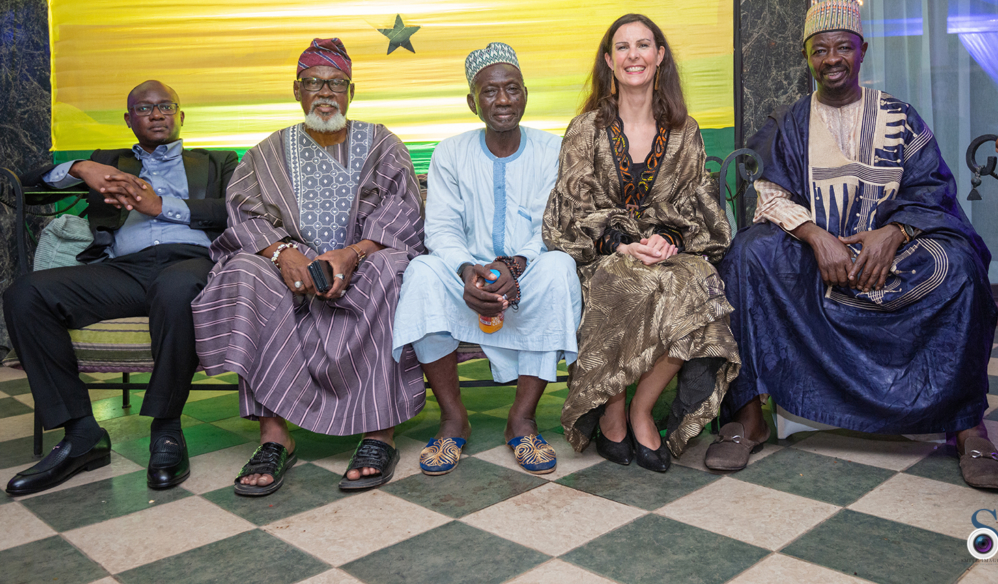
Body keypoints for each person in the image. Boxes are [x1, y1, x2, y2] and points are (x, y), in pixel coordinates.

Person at [707, 0, 998, 491]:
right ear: (807, 56)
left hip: (893, 259)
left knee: (961, 266)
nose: (832, 59)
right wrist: (817, 237)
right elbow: (769, 194)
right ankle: (747, 417)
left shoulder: (901, 116)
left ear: (862, 50)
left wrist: (893, 233)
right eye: (820, 49)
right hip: (815, 261)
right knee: (748, 253)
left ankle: (966, 426)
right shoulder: (789, 121)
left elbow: (933, 191)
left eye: (842, 47)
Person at [191, 38, 425, 496]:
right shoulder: (266, 153)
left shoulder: (382, 143)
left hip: (362, 266)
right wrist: (282, 255)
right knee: (243, 270)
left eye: (336, 83)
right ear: (296, 90)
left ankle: (379, 433)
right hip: (289, 278)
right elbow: (245, 217)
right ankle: (275, 437)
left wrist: (352, 254)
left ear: (351, 92)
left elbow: (403, 211)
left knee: (393, 268)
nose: (325, 92)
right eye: (314, 82)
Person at [4, 81, 237, 495]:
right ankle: (81, 434)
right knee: (25, 294)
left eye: (166, 106)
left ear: (181, 116)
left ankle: (166, 427)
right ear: (129, 120)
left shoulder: (217, 161)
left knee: (176, 289)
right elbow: (18, 187)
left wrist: (162, 207)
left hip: (190, 262)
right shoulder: (108, 162)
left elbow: (236, 210)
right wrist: (80, 168)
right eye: (145, 108)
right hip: (124, 271)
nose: (157, 113)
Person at [543, 14, 741, 473]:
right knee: (624, 279)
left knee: (699, 283)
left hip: (664, 252)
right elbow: (571, 208)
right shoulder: (585, 128)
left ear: (659, 56)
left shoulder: (685, 130)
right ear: (609, 61)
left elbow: (695, 203)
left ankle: (640, 408)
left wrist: (668, 239)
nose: (634, 55)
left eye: (644, 45)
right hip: (604, 255)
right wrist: (621, 244)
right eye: (624, 47)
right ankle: (611, 408)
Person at [392, 43, 581, 476]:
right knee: (421, 273)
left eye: (511, 89)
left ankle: (523, 419)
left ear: (525, 95)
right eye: (490, 92)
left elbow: (551, 227)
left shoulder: (553, 150)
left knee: (560, 268)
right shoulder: (450, 152)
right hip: (467, 274)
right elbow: (440, 228)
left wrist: (514, 266)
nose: (502, 100)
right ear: (471, 102)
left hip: (528, 269)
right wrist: (467, 271)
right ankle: (453, 418)